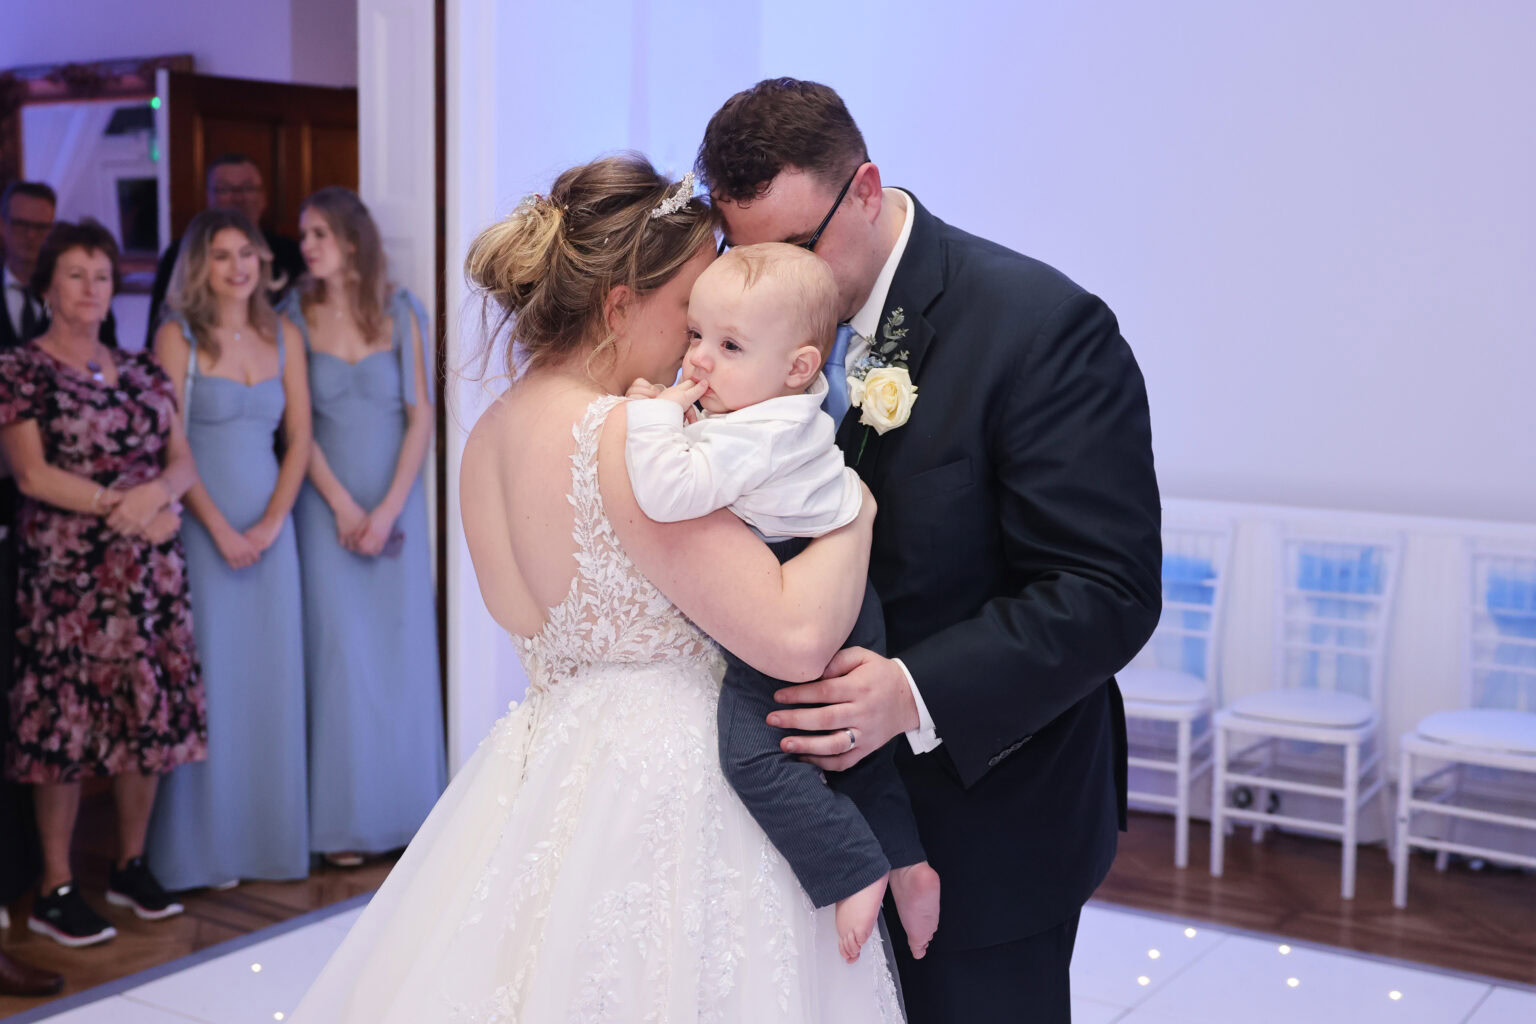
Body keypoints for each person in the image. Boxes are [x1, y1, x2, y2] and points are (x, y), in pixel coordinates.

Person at [287, 155, 904, 1021]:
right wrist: (857, 513)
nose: (699, 342)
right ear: (620, 306)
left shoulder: (487, 440)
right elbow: (796, 638)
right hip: (676, 791)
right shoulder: (628, 436)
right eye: (688, 313)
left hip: (541, 775)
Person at [698, 78, 1163, 1022]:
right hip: (811, 836)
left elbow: (1106, 589)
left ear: (865, 188)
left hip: (983, 827)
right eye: (743, 253)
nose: (771, 278)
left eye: (795, 247)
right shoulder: (753, 321)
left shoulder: (1040, 328)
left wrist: (910, 691)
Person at [624, 241, 940, 965]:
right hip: (850, 596)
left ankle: (853, 868)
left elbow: (669, 490)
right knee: (857, 748)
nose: (699, 359)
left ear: (799, 366)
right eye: (697, 335)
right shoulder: (783, 409)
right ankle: (906, 859)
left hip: (803, 588)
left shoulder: (756, 431)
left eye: (729, 345)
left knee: (754, 756)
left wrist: (651, 417)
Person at [0, 220, 204, 948]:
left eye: (103, 275)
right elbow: (30, 473)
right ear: (48, 287)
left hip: (148, 573)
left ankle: (130, 864)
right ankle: (56, 884)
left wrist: (156, 498)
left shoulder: (143, 368)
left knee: (143, 717)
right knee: (64, 722)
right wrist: (119, 505)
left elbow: (182, 461)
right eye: (76, 275)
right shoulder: (21, 368)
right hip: (67, 577)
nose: (91, 289)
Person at [143, 210, 313, 892]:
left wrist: (272, 524)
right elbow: (170, 443)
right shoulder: (175, 336)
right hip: (201, 531)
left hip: (274, 536)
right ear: (199, 266)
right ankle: (200, 855)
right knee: (209, 687)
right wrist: (217, 528)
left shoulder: (284, 335)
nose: (239, 266)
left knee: (269, 684)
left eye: (247, 252)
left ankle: (269, 847)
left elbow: (299, 438)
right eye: (222, 255)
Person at [281, 187, 443, 866]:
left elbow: (421, 416)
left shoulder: (400, 309)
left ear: (351, 241)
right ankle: (343, 827)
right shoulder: (291, 316)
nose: (306, 247)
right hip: (325, 512)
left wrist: (386, 509)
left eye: (318, 234)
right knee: (338, 657)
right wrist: (346, 509)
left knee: (399, 659)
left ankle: (408, 816)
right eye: (304, 235)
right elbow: (297, 429)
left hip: (395, 510)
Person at [145, 155, 305, 347]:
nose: (238, 197)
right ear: (208, 197)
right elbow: (154, 335)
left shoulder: (291, 253)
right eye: (225, 189)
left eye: (247, 188)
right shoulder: (178, 253)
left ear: (263, 198)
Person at [1, 182, 118, 350]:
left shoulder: (85, 295)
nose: (31, 235)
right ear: (3, 225)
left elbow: (106, 352)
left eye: (41, 227)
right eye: (20, 224)